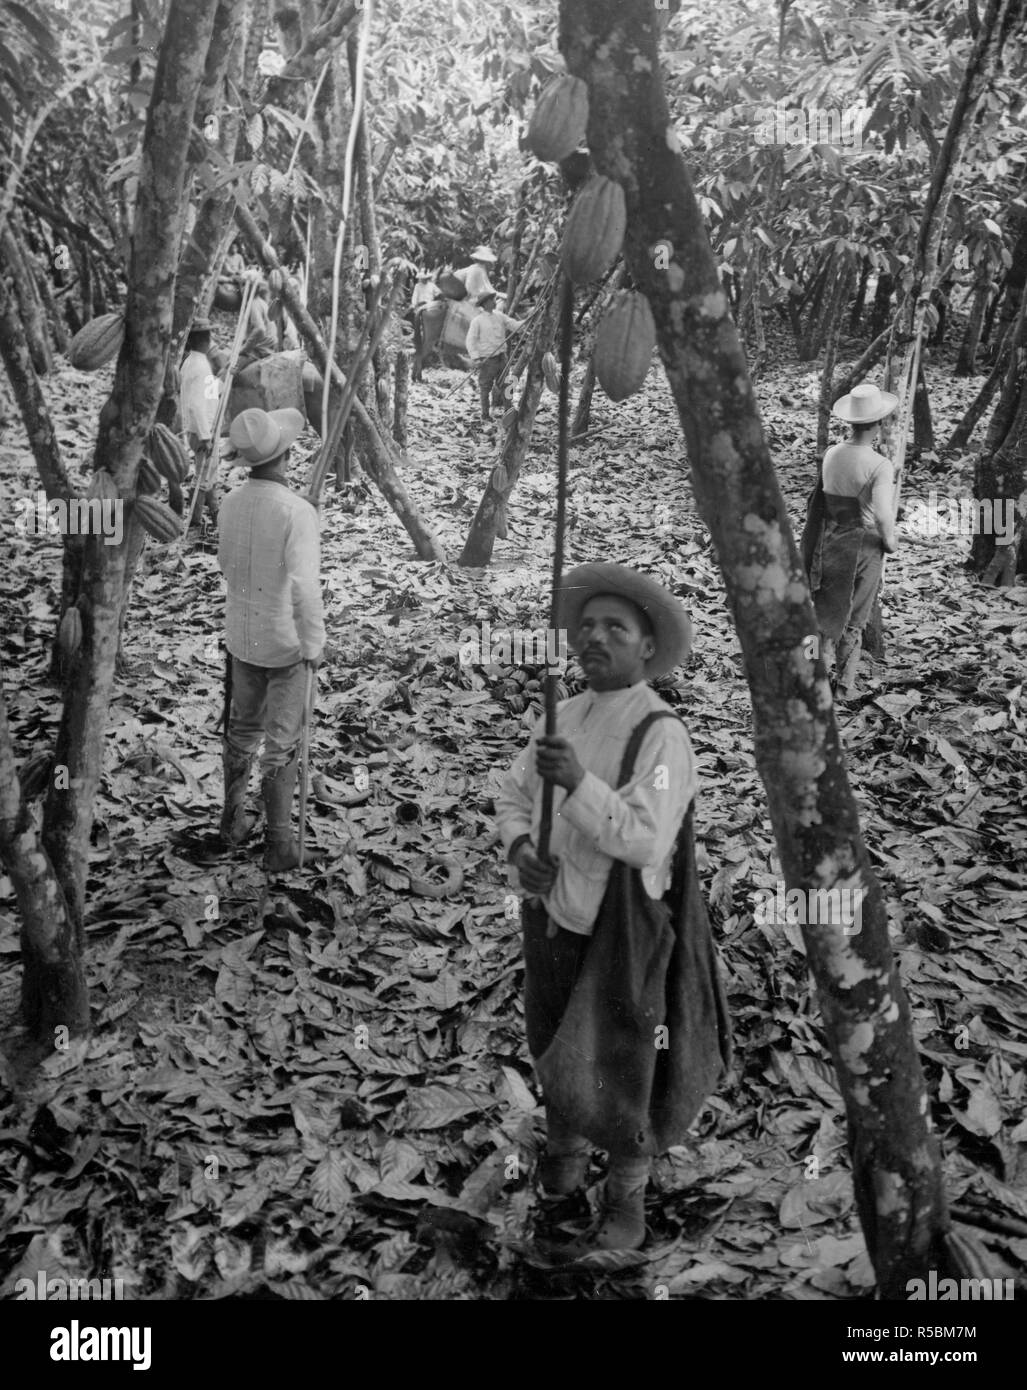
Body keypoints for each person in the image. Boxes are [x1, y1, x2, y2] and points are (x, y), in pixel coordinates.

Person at [496, 563, 730, 1250]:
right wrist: (517, 847)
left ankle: (626, 1194)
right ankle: (562, 1174)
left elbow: (644, 836)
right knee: (557, 1049)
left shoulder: (660, 733)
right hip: (552, 920)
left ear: (646, 648)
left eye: (614, 629)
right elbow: (510, 793)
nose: (594, 638)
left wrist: (576, 783)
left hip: (622, 931)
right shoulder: (561, 714)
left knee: (628, 1062)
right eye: (586, 627)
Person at [217, 407, 325, 871]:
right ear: (286, 453)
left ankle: (232, 822)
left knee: (242, 729)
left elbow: (226, 567)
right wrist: (314, 644)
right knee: (281, 741)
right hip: (285, 643)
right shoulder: (296, 511)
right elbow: (305, 586)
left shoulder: (230, 503)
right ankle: (279, 844)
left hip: (242, 636)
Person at [803, 382, 898, 699]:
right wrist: (891, 542)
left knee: (821, 615)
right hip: (862, 548)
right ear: (879, 423)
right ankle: (844, 687)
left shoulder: (831, 453)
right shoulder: (880, 466)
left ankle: (808, 674)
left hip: (828, 543)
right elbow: (884, 516)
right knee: (854, 621)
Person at [179, 318, 221, 528]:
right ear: (205, 340)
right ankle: (194, 523)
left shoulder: (190, 362)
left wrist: (221, 380)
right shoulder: (201, 366)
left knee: (208, 475)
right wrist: (206, 435)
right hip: (202, 431)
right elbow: (196, 404)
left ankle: (216, 514)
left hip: (195, 428)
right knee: (202, 479)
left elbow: (206, 394)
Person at [466, 291, 522, 422]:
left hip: (502, 358)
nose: (494, 302)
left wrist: (529, 319)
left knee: (506, 385)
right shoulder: (477, 321)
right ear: (485, 303)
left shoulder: (500, 316)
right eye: (491, 300)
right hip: (487, 360)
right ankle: (485, 414)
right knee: (485, 388)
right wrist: (476, 358)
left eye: (494, 299)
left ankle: (509, 411)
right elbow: (470, 341)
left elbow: (514, 325)